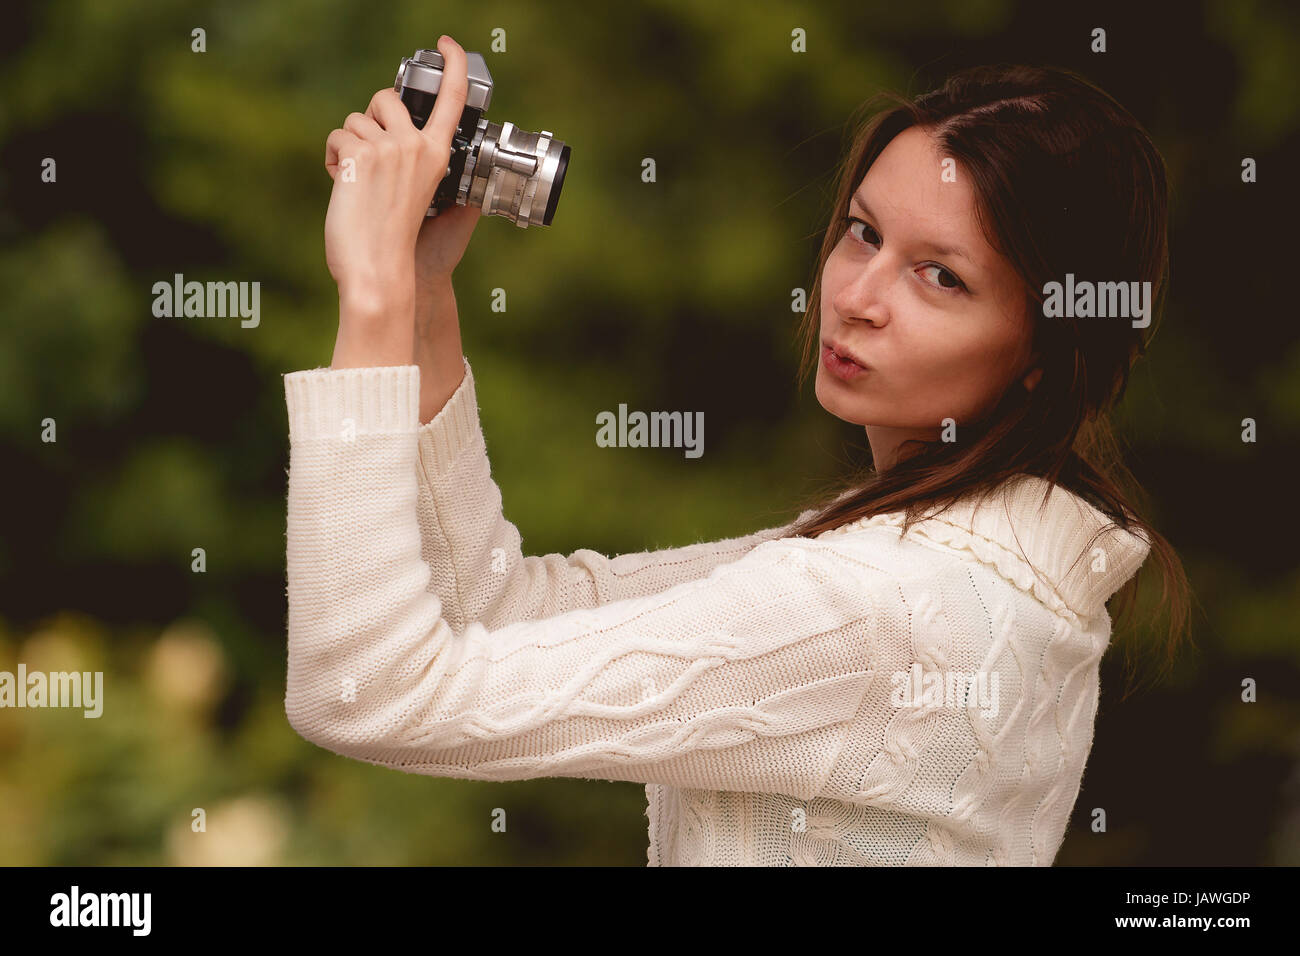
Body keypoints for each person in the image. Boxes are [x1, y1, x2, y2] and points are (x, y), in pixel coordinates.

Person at [283, 35, 1189, 865]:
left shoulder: (879, 609)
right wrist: (422, 288)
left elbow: (365, 691)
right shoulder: (958, 578)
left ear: (1043, 350)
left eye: (940, 276)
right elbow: (498, 612)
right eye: (865, 233)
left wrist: (369, 298)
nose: (858, 294)